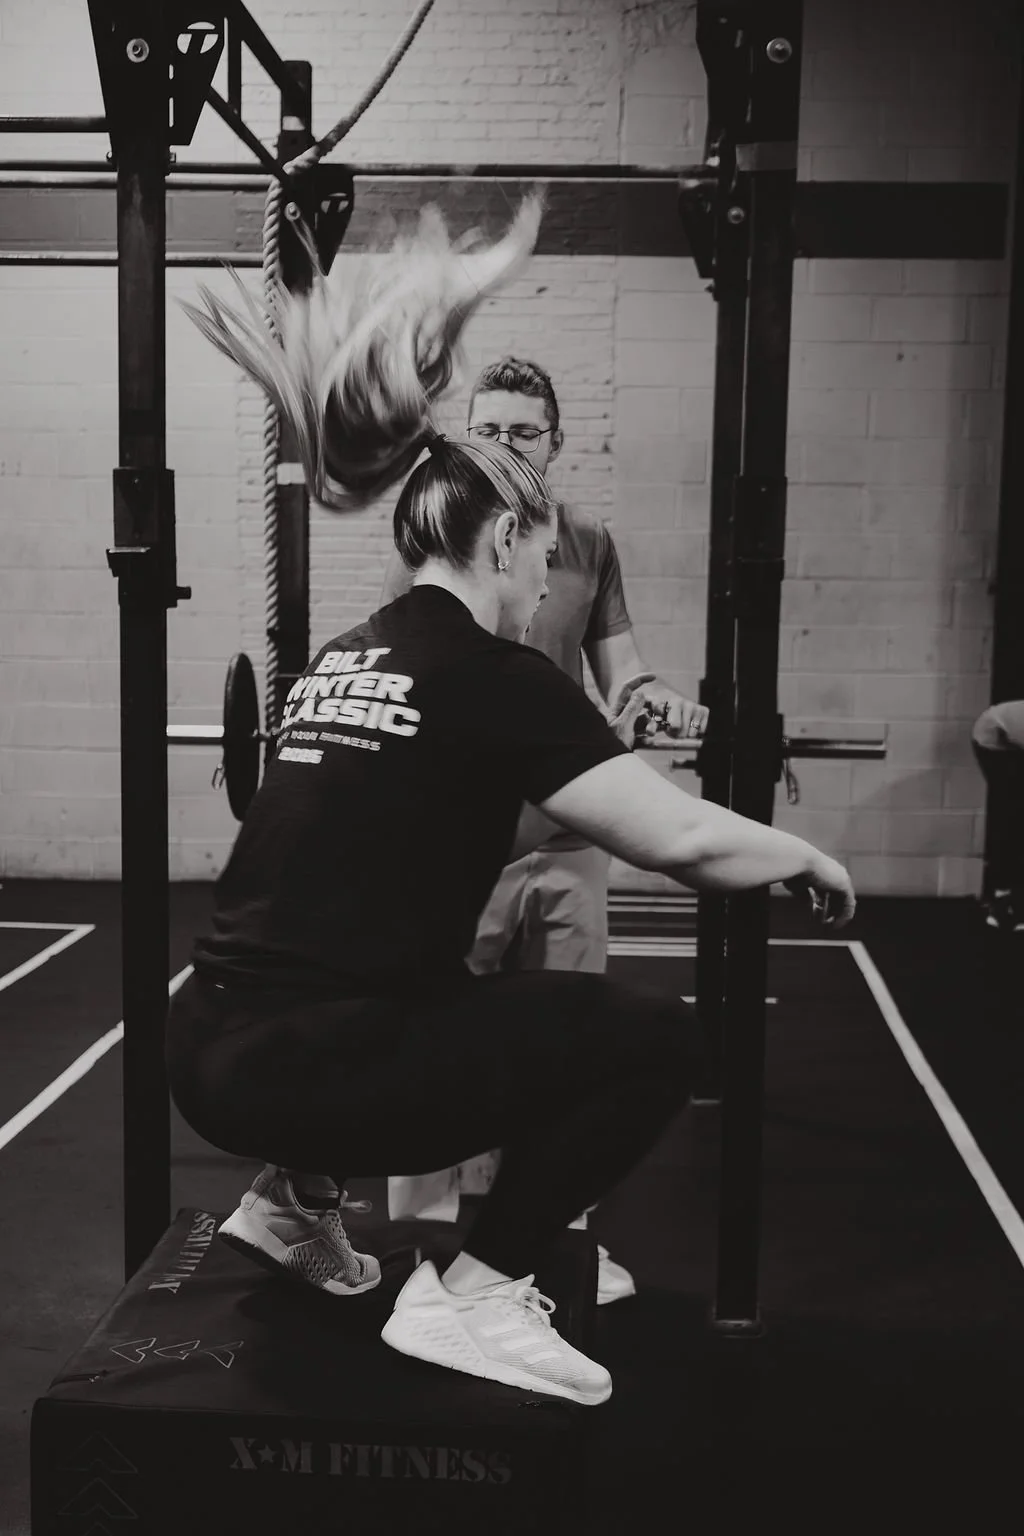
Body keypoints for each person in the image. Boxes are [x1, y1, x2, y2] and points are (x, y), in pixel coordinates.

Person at [168, 197, 855, 1408]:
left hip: (209, 1053)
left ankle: (291, 1207)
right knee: (654, 1037)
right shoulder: (494, 677)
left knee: (426, 983)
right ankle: (478, 1288)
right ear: (498, 543)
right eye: (539, 561)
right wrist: (797, 848)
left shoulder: (349, 651)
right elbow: (684, 839)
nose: (548, 588)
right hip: (313, 1075)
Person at [380, 357, 709, 1306]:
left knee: (569, 1045)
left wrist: (656, 704)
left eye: (525, 431)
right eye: (489, 428)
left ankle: (550, 1246)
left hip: (569, 836)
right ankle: (415, 1250)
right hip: (462, 840)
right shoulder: (438, 533)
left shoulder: (590, 544)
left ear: (555, 442)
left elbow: (626, 675)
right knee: (436, 1044)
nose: (505, 445)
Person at [972, 699, 1024, 932]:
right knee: (1011, 816)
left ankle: (1008, 896)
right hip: (991, 739)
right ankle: (1001, 899)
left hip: (1011, 738)